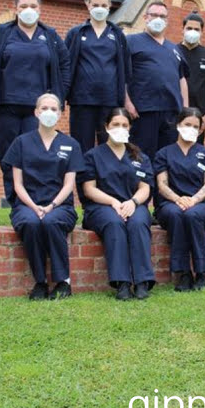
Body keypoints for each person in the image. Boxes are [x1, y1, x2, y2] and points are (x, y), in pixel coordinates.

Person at [0, 0, 71, 203]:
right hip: (6, 106)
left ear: (40, 9)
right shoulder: (3, 34)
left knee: (35, 154)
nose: (28, 10)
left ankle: (34, 200)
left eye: (33, 6)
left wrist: (59, 96)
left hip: (37, 110)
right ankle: (14, 202)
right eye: (24, 6)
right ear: (16, 9)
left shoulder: (50, 36)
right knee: (9, 155)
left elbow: (65, 65)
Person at [3, 93, 83, 300]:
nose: (49, 112)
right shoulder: (21, 143)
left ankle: (63, 281)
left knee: (51, 221)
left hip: (60, 207)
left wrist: (51, 206)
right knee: (31, 223)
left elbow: (69, 184)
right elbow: (17, 184)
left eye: (54, 109)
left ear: (60, 113)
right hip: (26, 205)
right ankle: (40, 282)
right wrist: (33, 206)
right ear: (36, 112)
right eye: (44, 108)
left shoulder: (71, 144)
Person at [79, 108, 155, 300]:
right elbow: (89, 189)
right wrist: (113, 202)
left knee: (138, 223)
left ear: (130, 128)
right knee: (114, 223)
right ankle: (122, 283)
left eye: (124, 125)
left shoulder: (139, 157)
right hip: (101, 207)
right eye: (116, 124)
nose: (120, 128)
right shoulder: (93, 156)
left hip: (134, 204)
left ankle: (142, 281)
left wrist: (133, 201)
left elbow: (145, 188)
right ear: (106, 127)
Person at [154, 107, 205, 291]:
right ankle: (183, 273)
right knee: (175, 214)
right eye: (187, 124)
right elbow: (162, 184)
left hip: (202, 205)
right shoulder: (163, 153)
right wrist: (178, 199)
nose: (191, 128)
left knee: (192, 215)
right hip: (170, 204)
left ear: (200, 130)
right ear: (178, 125)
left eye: (195, 126)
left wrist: (193, 200)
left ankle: (200, 272)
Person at [65, 0, 130, 152]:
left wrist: (125, 100)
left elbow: (126, 69)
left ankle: (106, 178)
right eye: (95, 4)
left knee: (109, 147)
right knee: (81, 147)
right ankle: (83, 178)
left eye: (103, 4)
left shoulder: (117, 35)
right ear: (87, 5)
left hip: (110, 101)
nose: (99, 8)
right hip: (82, 100)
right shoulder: (76, 33)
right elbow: (65, 65)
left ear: (109, 6)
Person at [125, 0, 189, 160]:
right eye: (154, 15)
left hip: (171, 112)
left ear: (167, 20)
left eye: (162, 16)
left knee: (166, 157)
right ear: (145, 17)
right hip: (143, 110)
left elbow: (182, 79)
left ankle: (162, 185)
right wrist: (127, 102)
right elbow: (122, 75)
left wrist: (186, 109)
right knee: (141, 155)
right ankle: (143, 185)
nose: (158, 19)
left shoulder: (175, 49)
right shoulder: (131, 41)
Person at [177, 12, 205, 144]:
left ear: (202, 32)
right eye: (189, 28)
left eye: (196, 29)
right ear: (183, 29)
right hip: (175, 113)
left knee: (195, 151)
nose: (192, 31)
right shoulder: (172, 51)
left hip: (199, 115)